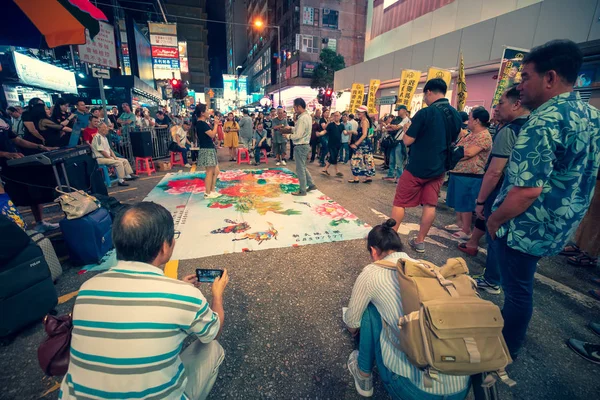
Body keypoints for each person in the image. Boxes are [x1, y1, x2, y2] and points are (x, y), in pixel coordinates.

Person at [487, 39, 600, 358]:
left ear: (550, 78)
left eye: (525, 77)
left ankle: (504, 351)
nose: (519, 85)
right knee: (522, 286)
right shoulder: (591, 115)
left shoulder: (544, 119)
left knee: (518, 292)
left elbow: (526, 191)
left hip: (527, 226)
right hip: (559, 223)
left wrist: (494, 219)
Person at [58, 202, 229, 400]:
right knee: (212, 348)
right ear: (165, 246)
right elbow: (213, 333)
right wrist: (217, 294)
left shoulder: (88, 289)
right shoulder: (183, 295)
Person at [344, 218, 469, 399]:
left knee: (369, 310)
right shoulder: (424, 266)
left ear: (373, 251)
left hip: (414, 389)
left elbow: (352, 323)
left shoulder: (372, 273)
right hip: (461, 386)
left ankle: (363, 374)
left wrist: (356, 330)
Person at [457, 87, 530, 297]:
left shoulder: (510, 130)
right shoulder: (534, 126)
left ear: (516, 104)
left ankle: (492, 280)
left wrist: (481, 201)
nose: (496, 108)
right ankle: (499, 278)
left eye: (500, 103)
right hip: (524, 193)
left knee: (495, 233)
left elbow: (495, 171)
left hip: (503, 191)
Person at [391, 78, 461, 253]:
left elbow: (407, 141)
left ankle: (390, 240)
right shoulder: (456, 114)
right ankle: (420, 241)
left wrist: (407, 129)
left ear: (429, 92)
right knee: (430, 205)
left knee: (400, 202)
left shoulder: (425, 113)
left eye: (425, 94)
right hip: (439, 168)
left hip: (417, 167)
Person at [0, 116, 58, 232]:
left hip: (15, 162)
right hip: (3, 166)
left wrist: (40, 147)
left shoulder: (2, 119)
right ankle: (13, 231)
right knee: (8, 199)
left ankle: (40, 222)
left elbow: (17, 140)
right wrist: (6, 154)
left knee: (32, 190)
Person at [445, 107, 492, 241]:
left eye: (470, 118)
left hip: (470, 174)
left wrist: (455, 153)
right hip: (460, 172)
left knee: (465, 202)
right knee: (459, 201)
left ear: (477, 120)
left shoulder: (484, 136)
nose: (467, 121)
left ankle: (466, 229)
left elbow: (468, 153)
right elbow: (459, 149)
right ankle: (459, 223)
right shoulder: (470, 134)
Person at [281, 98, 317, 196]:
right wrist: (291, 128)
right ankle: (311, 184)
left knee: (300, 168)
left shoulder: (302, 118)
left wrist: (288, 135)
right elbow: (301, 130)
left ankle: (302, 190)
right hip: (304, 144)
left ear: (299, 106)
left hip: (300, 145)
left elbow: (298, 135)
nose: (294, 109)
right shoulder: (307, 116)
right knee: (303, 167)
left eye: (295, 107)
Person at [195, 104, 221, 199]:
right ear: (202, 113)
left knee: (216, 171)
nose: (208, 112)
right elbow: (212, 135)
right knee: (210, 172)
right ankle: (207, 192)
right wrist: (216, 124)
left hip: (209, 148)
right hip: (207, 149)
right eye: (206, 110)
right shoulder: (201, 124)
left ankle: (212, 190)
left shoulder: (202, 123)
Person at [346, 106, 376, 184]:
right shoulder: (363, 120)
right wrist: (351, 131)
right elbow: (361, 133)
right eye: (358, 111)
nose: (358, 113)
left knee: (355, 159)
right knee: (367, 159)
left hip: (362, 144)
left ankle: (356, 178)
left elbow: (364, 134)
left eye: (360, 111)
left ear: (364, 113)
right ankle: (368, 176)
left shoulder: (364, 121)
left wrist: (356, 144)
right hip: (366, 144)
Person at [383, 105, 411, 184]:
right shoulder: (399, 119)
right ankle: (391, 175)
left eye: (399, 110)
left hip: (400, 143)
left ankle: (400, 177)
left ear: (405, 111)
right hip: (395, 142)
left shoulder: (406, 120)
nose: (398, 112)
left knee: (399, 161)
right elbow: (392, 128)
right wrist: (390, 126)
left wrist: (390, 125)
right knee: (392, 159)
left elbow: (396, 127)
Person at [320, 111, 344, 177]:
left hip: (338, 144)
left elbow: (344, 131)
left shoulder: (342, 125)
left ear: (340, 116)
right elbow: (325, 130)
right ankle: (336, 170)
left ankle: (325, 169)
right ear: (333, 117)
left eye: (337, 115)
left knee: (334, 157)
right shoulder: (331, 125)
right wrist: (320, 134)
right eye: (335, 115)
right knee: (333, 156)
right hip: (331, 144)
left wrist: (349, 132)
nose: (336, 117)